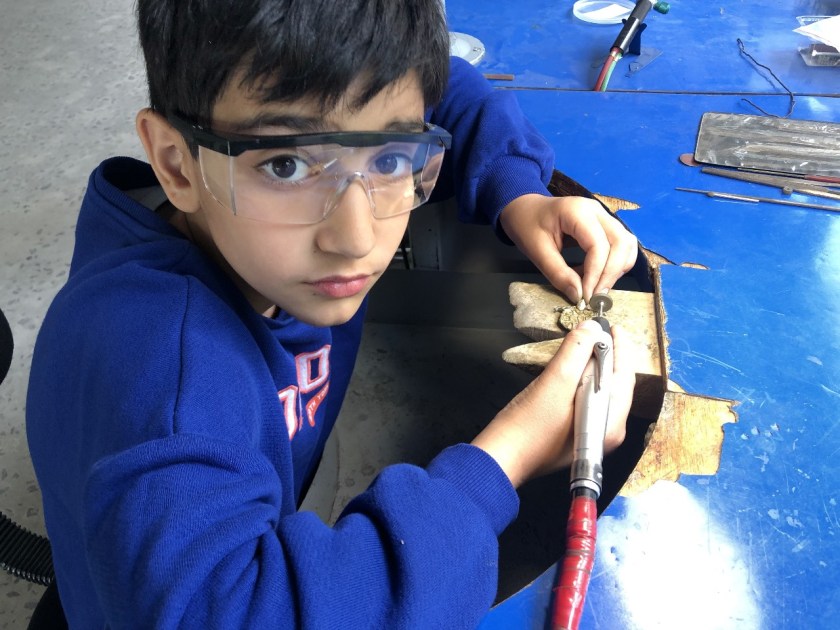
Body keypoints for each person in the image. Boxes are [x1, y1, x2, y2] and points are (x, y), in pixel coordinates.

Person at [26, 1, 637, 627]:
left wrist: (518, 193)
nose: (356, 237)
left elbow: (444, 88)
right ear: (177, 164)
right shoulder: (168, 379)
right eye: (286, 165)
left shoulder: (268, 246)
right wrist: (506, 459)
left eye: (391, 158)